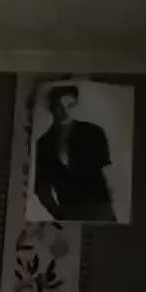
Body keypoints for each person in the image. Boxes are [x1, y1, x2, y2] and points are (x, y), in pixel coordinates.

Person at [32, 83, 115, 222]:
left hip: (100, 207)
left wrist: (108, 204)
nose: (65, 111)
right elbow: (41, 187)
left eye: (70, 105)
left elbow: (108, 171)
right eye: (60, 106)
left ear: (76, 105)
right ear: (51, 107)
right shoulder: (43, 143)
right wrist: (59, 214)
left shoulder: (93, 132)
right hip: (70, 209)